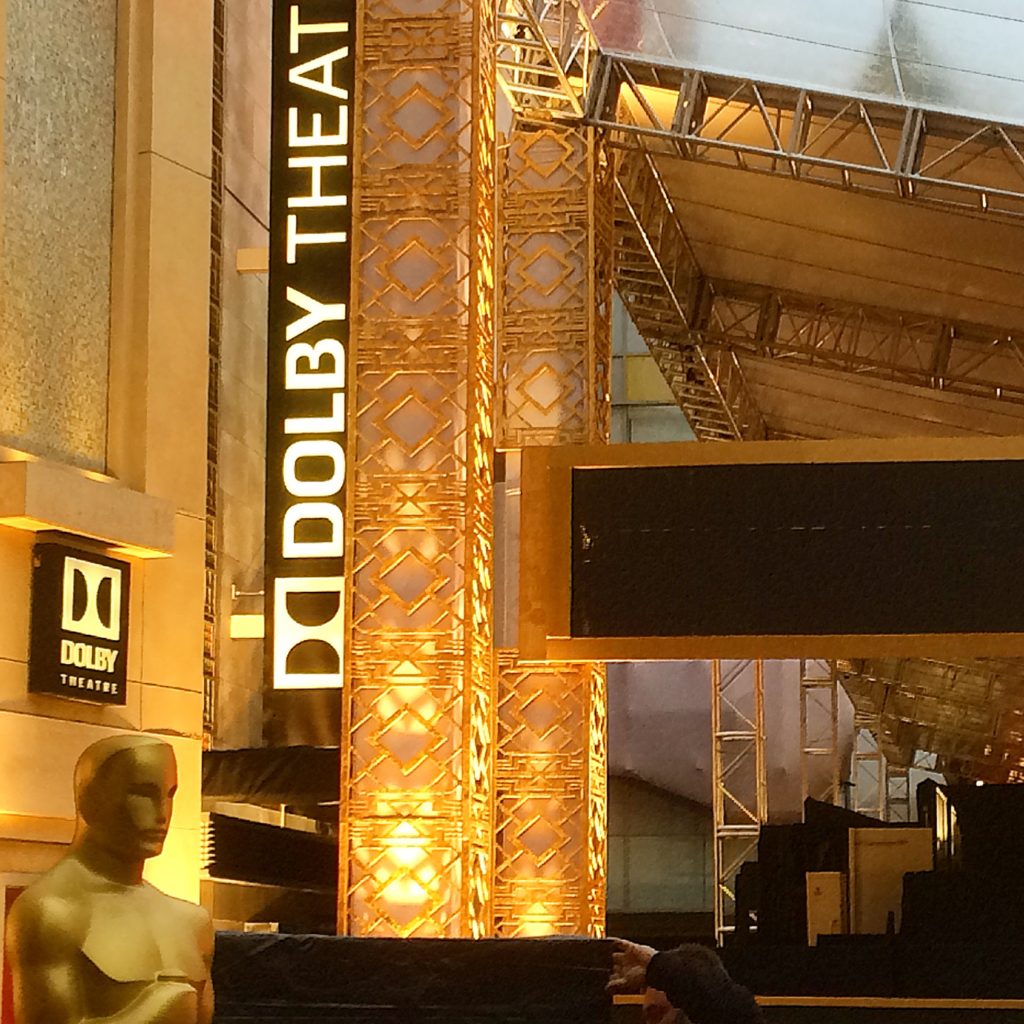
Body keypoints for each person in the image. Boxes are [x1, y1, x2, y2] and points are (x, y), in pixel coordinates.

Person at [5, 735, 214, 1024]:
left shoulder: (193, 922)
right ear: (89, 798)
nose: (162, 813)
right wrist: (163, 1007)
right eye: (142, 793)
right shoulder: (51, 913)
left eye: (169, 794)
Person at [608, 938, 762, 1024]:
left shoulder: (728, 1011)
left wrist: (660, 967)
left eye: (658, 1015)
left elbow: (726, 1007)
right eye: (649, 1019)